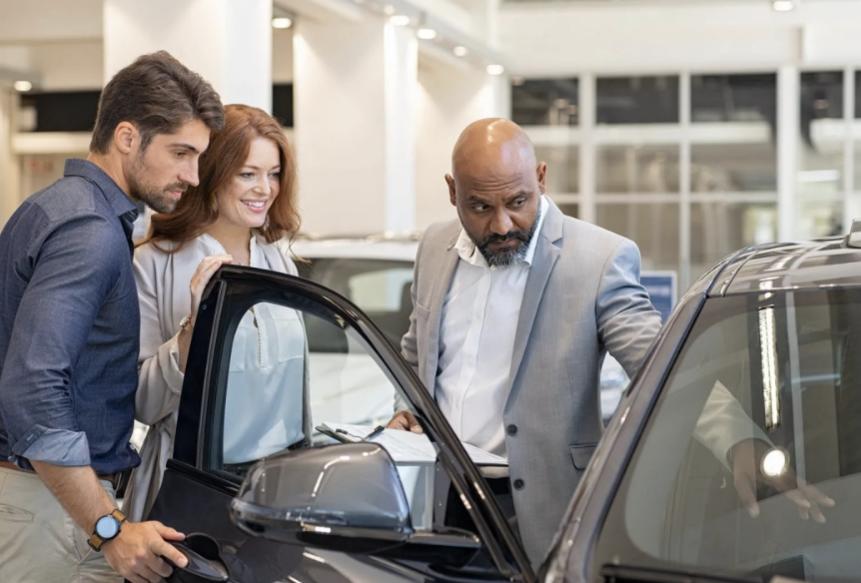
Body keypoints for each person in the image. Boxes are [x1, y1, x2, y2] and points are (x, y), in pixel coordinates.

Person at [387, 118, 834, 566]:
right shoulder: (434, 247)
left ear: (541, 178)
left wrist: (739, 441)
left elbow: (656, 364)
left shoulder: (597, 259)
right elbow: (415, 351)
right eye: (480, 207)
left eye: (517, 202)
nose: (502, 224)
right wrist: (405, 409)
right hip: (443, 500)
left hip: (537, 512)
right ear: (453, 192)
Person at [0, 51, 223, 583]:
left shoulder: (54, 207)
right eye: (180, 153)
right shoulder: (90, 230)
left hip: (42, 505)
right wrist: (108, 528)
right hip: (55, 514)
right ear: (127, 137)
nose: (192, 176)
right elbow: (33, 387)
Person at [124, 104, 306, 523]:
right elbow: (143, 404)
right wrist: (192, 330)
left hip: (274, 492)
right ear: (212, 174)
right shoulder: (155, 263)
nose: (264, 188)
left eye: (273, 173)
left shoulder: (278, 261)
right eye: (248, 174)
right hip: (189, 488)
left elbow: (292, 396)